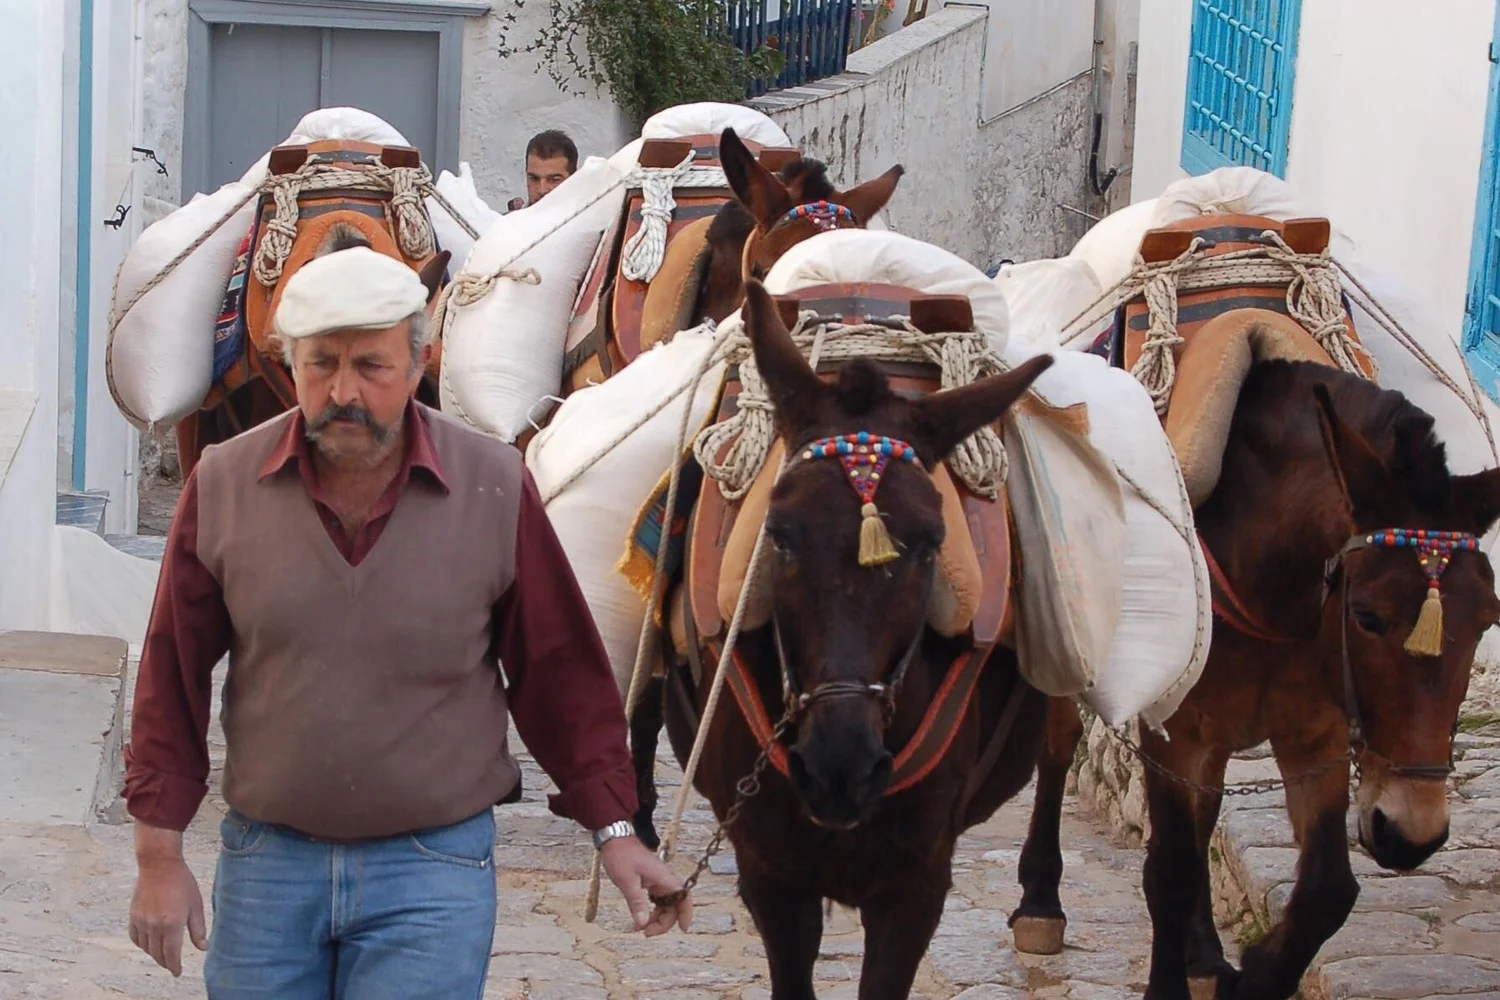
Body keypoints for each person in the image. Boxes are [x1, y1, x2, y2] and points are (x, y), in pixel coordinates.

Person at [123, 244, 690, 998]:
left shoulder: (492, 484)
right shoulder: (224, 483)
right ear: (290, 368)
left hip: (433, 871)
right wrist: (158, 858)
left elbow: (558, 671)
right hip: (267, 866)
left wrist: (617, 831)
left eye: (372, 365)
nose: (344, 390)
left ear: (419, 363)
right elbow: (172, 677)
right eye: (320, 365)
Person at [523, 129, 577, 206]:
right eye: (534, 179)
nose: (542, 190)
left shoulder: (592, 217)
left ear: (574, 179)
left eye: (554, 180)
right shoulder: (509, 218)